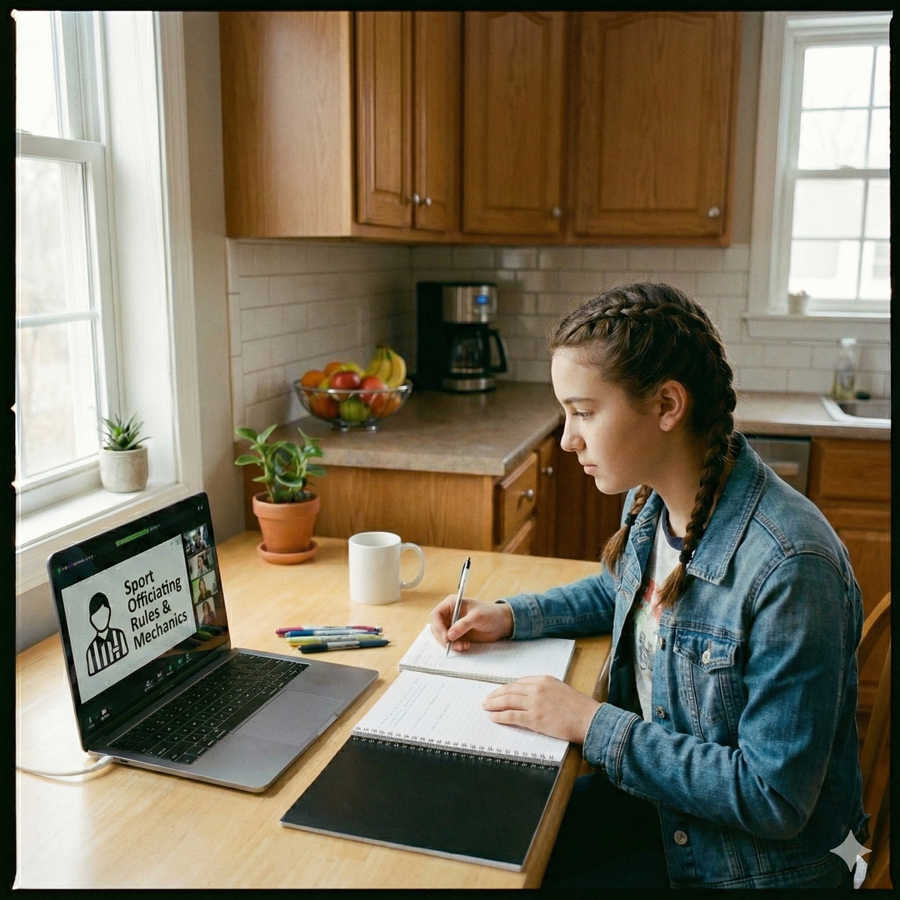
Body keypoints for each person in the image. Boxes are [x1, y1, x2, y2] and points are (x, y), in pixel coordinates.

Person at [430, 283, 867, 889]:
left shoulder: (791, 566)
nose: (566, 439)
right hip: (666, 812)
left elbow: (772, 797)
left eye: (583, 412)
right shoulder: (652, 501)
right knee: (476, 837)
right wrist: (509, 614)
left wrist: (589, 722)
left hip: (748, 868)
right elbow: (628, 591)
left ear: (666, 405)